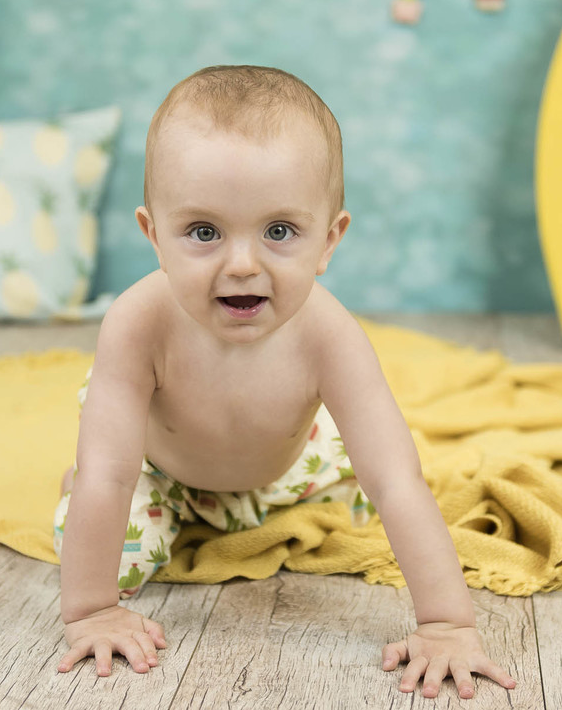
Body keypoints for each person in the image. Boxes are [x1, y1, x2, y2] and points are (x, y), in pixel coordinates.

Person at [53, 65, 517, 699]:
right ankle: (92, 507)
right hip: (161, 469)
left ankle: (260, 499)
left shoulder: (330, 334)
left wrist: (445, 623)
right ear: (154, 235)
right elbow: (111, 472)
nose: (242, 265)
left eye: (279, 232)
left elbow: (394, 478)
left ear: (328, 242)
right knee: (110, 545)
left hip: (285, 466)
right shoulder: (137, 324)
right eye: (203, 232)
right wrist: (91, 610)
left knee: (364, 499)